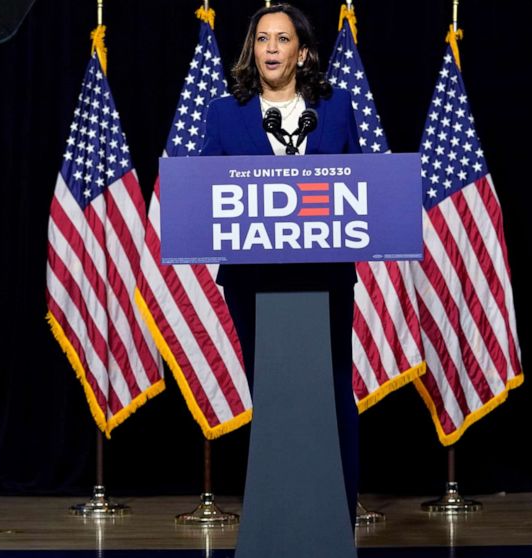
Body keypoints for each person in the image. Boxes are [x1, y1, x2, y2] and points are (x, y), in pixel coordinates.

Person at [200, 3, 361, 524]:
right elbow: (203, 191)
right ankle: (279, 515)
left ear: (304, 52)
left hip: (325, 276)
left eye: (282, 39)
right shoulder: (225, 113)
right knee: (270, 390)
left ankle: (337, 510)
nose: (271, 48)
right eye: (263, 39)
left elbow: (359, 185)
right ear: (253, 50)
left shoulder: (334, 109)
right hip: (252, 280)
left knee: (333, 386)